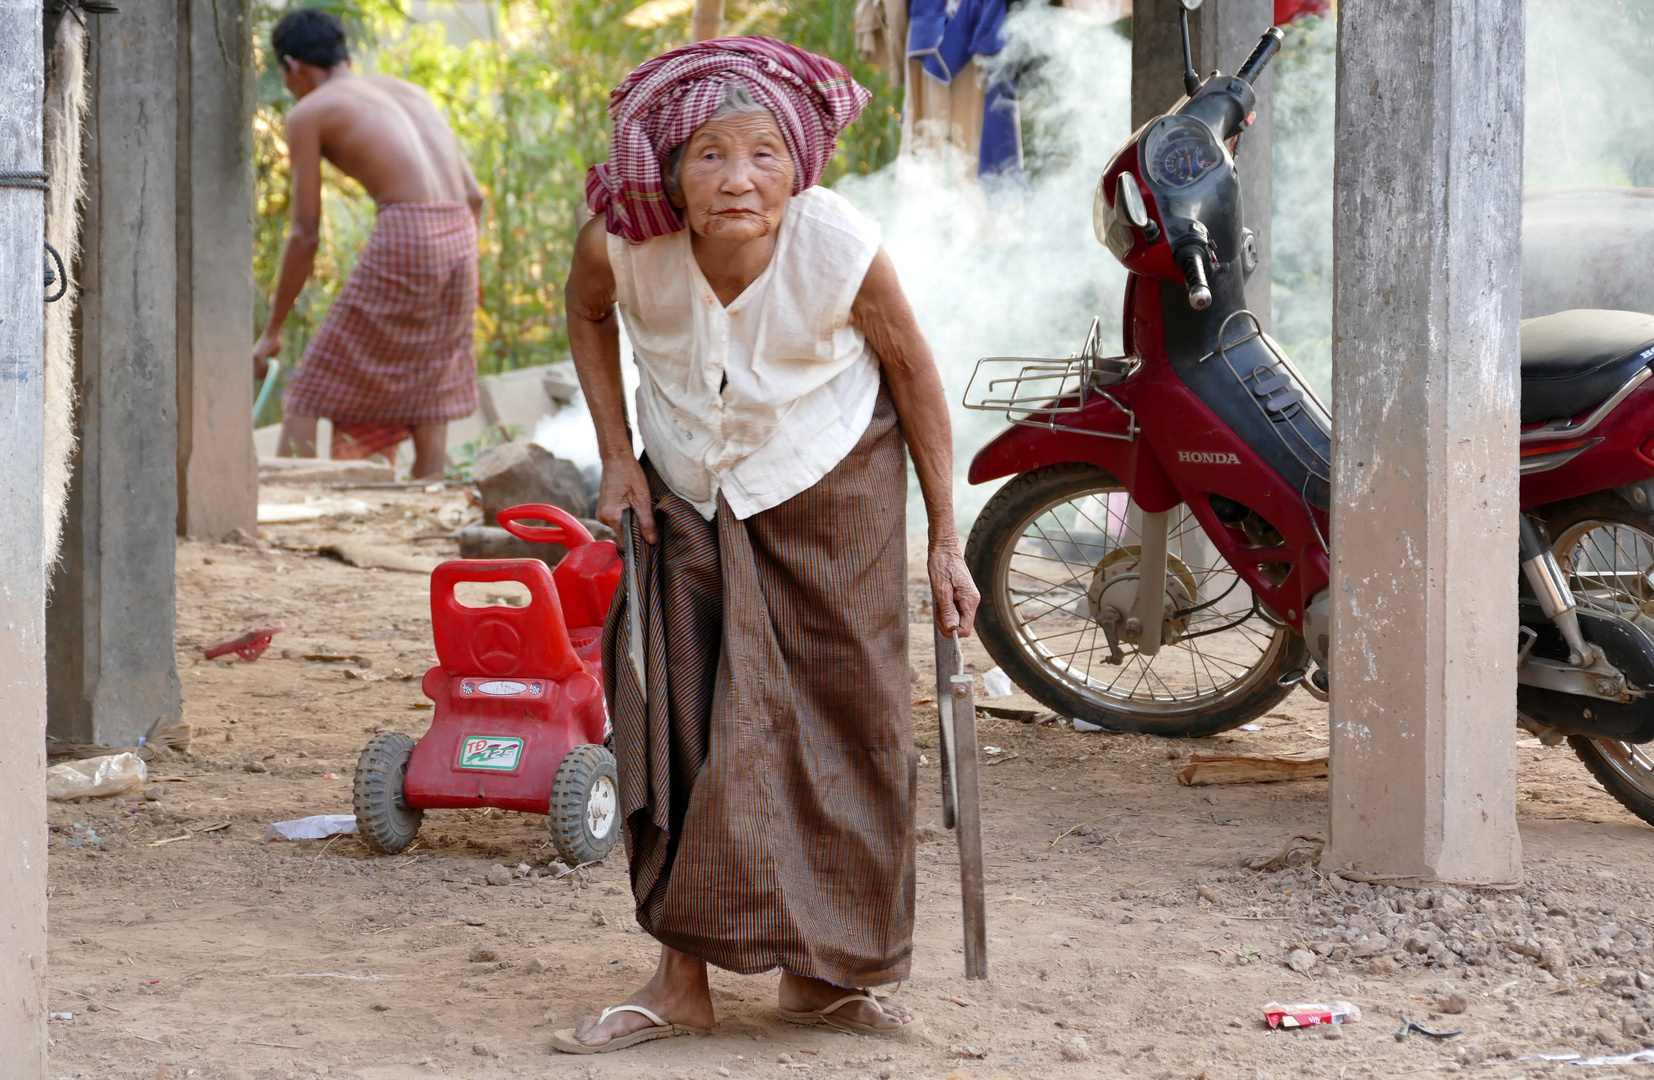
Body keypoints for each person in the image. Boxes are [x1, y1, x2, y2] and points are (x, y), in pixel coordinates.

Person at [554, 36, 980, 1055]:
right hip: (687, 489)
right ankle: (680, 980)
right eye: (709, 154)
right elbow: (585, 313)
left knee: (849, 717)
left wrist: (944, 542)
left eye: (762, 155)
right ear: (669, 171)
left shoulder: (837, 245)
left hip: (831, 485)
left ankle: (828, 981)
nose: (737, 179)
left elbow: (916, 378)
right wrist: (617, 457)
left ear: (796, 166)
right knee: (683, 717)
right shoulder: (621, 241)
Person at [251, 8, 483, 479]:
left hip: (409, 233)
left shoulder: (309, 112)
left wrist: (272, 330)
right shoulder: (409, 92)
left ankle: (289, 492)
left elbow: (306, 232)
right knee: (430, 380)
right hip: (461, 232)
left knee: (310, 385)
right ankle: (428, 494)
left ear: (293, 66)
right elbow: (475, 196)